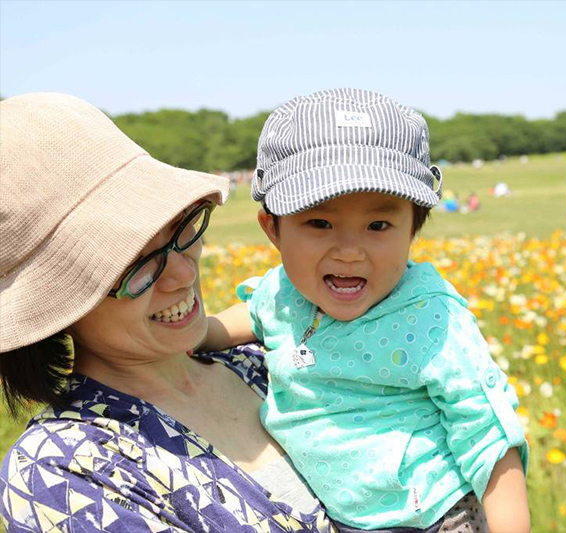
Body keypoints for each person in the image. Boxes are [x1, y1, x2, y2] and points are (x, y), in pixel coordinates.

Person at [0, 93, 333, 532]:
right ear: (59, 303)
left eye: (180, 229)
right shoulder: (61, 468)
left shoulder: (266, 360)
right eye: (136, 264)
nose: (181, 272)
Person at [203, 89, 530, 532]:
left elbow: (490, 439)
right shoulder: (282, 292)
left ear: (413, 229)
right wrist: (194, 335)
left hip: (435, 518)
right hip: (339, 518)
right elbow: (250, 316)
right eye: (319, 223)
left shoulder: (431, 316)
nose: (350, 251)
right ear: (273, 229)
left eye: (378, 225)